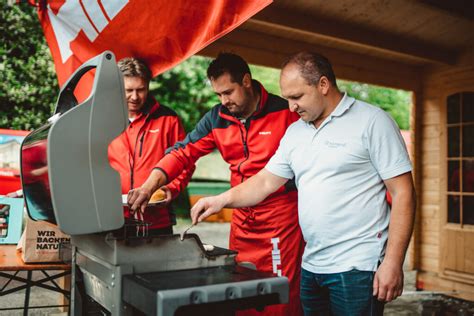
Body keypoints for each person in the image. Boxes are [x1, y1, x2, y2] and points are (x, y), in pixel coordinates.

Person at [190, 51, 416, 316]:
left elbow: (403, 193)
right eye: (287, 98)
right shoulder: (296, 131)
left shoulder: (372, 121)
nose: (291, 108)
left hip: (357, 268)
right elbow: (263, 182)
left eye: (297, 97)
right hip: (312, 267)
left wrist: (393, 262)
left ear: (323, 84)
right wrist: (219, 201)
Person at [128, 52, 305, 316]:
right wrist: (148, 186)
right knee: (240, 295)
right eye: (218, 95)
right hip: (241, 220)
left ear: (246, 81)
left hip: (281, 222)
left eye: (228, 92)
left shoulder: (286, 113)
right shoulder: (216, 118)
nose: (224, 101)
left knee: (278, 299)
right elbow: (181, 152)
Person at [108, 57, 194, 236]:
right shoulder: (101, 119)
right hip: (111, 219)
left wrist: (171, 188)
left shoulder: (168, 119)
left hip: (157, 220)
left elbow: (185, 163)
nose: (135, 97)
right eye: (128, 90)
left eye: (141, 90)